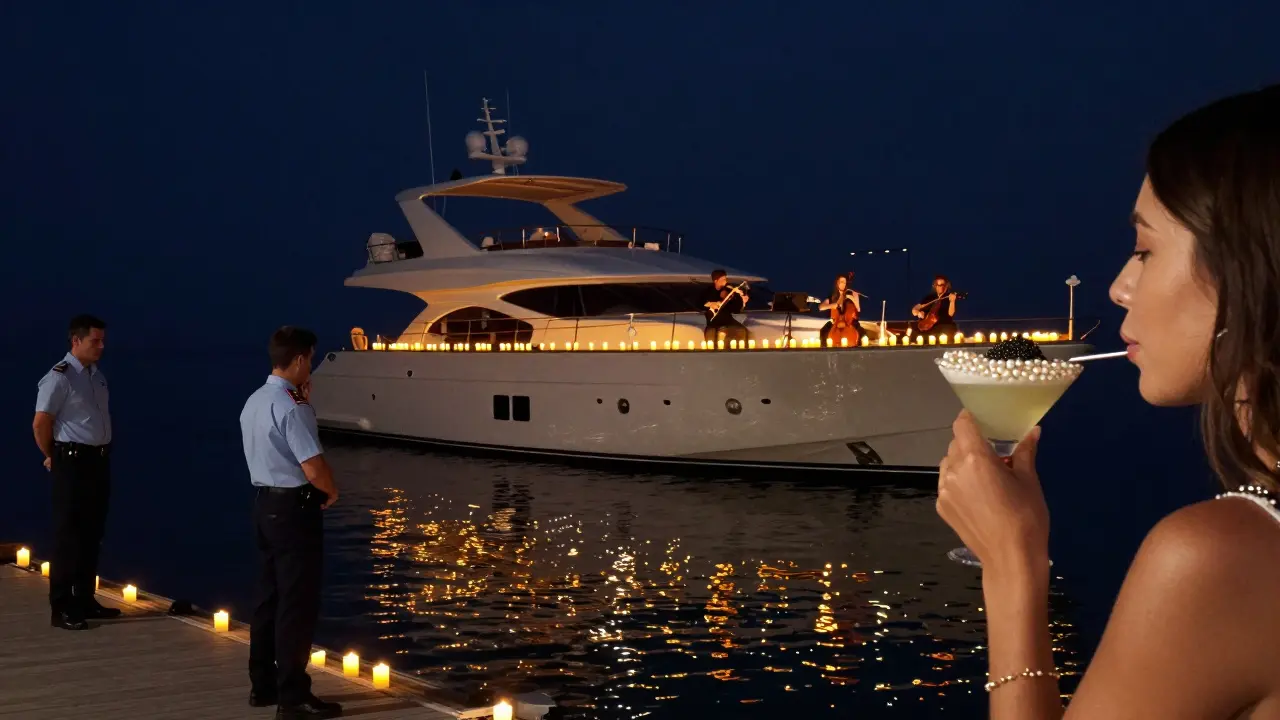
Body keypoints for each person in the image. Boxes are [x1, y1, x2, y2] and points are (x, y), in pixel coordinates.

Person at [936, 84, 1280, 718]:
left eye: (1146, 250)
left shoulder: (1219, 558)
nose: (1121, 287)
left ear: (1248, 272)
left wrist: (1011, 564)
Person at [241, 327, 342, 719]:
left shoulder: (254, 400)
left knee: (268, 598)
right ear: (300, 359)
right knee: (297, 604)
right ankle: (293, 695)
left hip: (264, 505)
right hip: (294, 512)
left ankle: (262, 685)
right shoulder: (291, 405)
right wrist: (331, 492)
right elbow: (313, 466)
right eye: (311, 359)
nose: (310, 367)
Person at [32, 314, 121, 631]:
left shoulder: (96, 376)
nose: (101, 346)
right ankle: (62, 607)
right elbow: (41, 423)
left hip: (97, 461)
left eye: (102, 340)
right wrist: (52, 456)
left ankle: (85, 599)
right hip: (72, 461)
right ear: (76, 341)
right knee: (68, 536)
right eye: (95, 340)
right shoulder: (60, 377)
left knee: (92, 534)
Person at [702, 268, 749, 343]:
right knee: (716, 335)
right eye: (723, 279)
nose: (726, 281)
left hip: (727, 320)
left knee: (742, 330)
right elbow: (701, 304)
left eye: (726, 279)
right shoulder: (708, 291)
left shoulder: (728, 290)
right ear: (716, 281)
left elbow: (735, 310)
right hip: (713, 321)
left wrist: (741, 301)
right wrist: (712, 304)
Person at [818, 272, 861, 346]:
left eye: (845, 282)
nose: (843, 284)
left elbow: (858, 309)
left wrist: (853, 299)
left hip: (850, 323)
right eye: (841, 282)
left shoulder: (852, 294)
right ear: (837, 283)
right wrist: (832, 305)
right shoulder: (832, 297)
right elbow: (820, 307)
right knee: (823, 331)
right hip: (835, 324)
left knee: (862, 333)